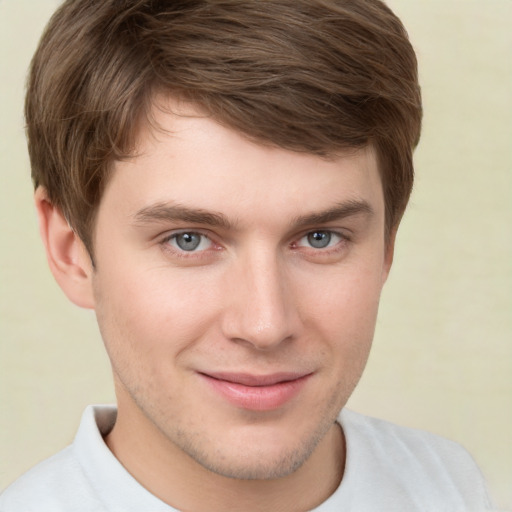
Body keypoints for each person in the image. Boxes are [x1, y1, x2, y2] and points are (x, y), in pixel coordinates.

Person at [0, 0, 494, 511]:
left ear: (387, 244)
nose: (265, 325)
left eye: (321, 237)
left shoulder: (455, 489)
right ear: (70, 250)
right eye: (187, 240)